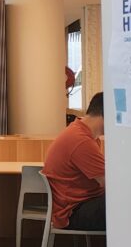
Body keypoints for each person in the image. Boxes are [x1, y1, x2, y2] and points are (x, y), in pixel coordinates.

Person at [42, 92, 105, 231]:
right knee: (126, 203)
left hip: (75, 205)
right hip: (74, 211)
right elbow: (108, 182)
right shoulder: (81, 140)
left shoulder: (80, 132)